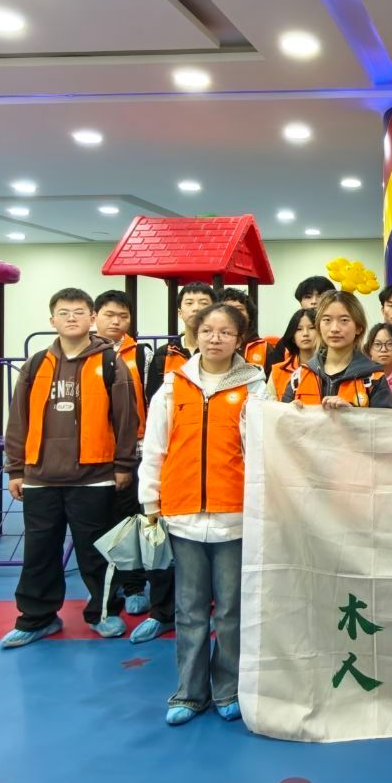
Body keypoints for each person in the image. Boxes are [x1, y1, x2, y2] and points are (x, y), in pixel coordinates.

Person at [139, 301, 269, 726]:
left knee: (231, 610)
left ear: (239, 339)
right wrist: (150, 501)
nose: (215, 338)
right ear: (195, 335)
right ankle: (189, 692)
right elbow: (155, 447)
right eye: (208, 331)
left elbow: (267, 449)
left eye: (225, 332)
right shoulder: (172, 385)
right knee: (190, 609)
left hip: (236, 515)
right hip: (183, 514)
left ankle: (228, 688)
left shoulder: (256, 387)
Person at [0, 288, 140, 648]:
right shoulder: (35, 365)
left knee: (95, 552)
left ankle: (103, 613)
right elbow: (18, 419)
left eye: (79, 311)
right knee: (39, 552)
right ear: (52, 320)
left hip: (94, 477)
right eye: (63, 312)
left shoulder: (111, 363)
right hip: (40, 477)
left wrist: (123, 465)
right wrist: (16, 469)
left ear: (92, 318)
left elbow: (127, 419)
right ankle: (37, 618)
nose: (71, 318)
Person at [92, 289, 175, 642]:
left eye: (123, 316)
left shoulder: (141, 354)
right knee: (109, 524)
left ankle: (140, 587)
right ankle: (120, 588)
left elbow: (148, 400)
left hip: (136, 447)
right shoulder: (86, 355)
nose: (116, 321)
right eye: (109, 314)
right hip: (95, 452)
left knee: (143, 522)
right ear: (95, 316)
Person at [284, 291, 392, 408]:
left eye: (344, 320)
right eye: (327, 320)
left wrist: (351, 414)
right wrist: (292, 413)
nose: (334, 329)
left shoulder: (374, 378)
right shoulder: (300, 376)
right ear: (319, 326)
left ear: (359, 327)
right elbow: (281, 418)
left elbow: (383, 419)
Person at [145, 282, 215, 401]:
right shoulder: (164, 354)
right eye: (189, 303)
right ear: (180, 313)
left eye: (203, 303)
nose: (196, 308)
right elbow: (154, 399)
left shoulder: (222, 350)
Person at [261, 276, 337, 366]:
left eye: (321, 296)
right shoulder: (287, 342)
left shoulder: (340, 335)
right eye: (308, 297)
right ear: (300, 303)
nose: (314, 301)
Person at [268, 307, 317, 400]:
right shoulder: (278, 371)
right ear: (293, 337)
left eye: (311, 328)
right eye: (299, 329)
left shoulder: (330, 369)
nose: (305, 333)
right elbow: (268, 406)